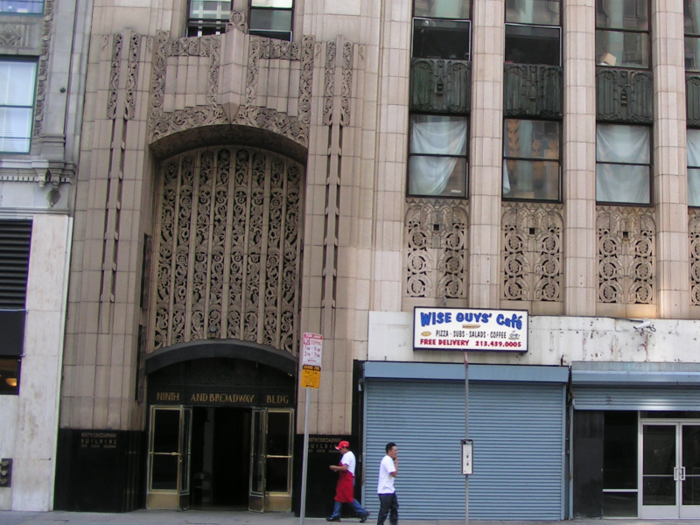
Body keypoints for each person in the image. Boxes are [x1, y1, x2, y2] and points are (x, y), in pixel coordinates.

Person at [327, 440, 370, 523]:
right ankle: (335, 515)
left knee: (349, 498)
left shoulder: (347, 456)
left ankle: (362, 512)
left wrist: (334, 468)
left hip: (347, 480)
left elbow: (344, 468)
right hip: (346, 479)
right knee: (339, 496)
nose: (339, 451)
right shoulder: (350, 455)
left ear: (344, 448)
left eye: (340, 449)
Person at [377, 442, 398, 525]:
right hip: (385, 491)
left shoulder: (389, 460)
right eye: (395, 450)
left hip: (391, 490)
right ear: (389, 451)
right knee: (384, 512)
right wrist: (396, 463)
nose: (396, 452)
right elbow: (394, 473)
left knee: (394, 508)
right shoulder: (387, 459)